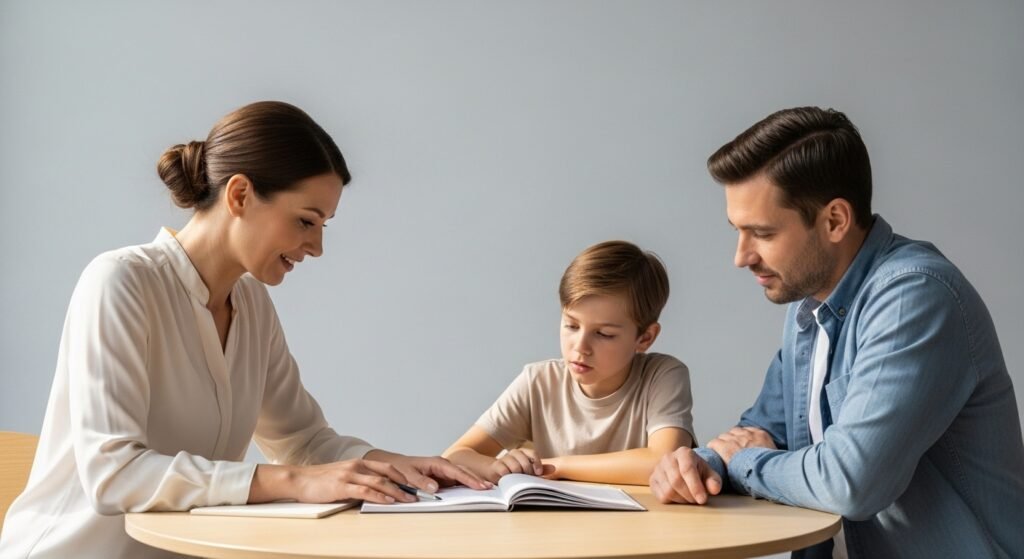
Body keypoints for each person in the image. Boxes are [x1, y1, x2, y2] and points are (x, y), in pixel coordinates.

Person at [0, 101, 488, 559]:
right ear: (239, 195)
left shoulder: (252, 304)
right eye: (305, 220)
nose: (316, 246)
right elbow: (114, 474)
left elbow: (303, 440)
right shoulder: (122, 282)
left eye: (323, 225)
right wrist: (293, 482)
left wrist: (402, 467)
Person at [649, 107, 1024, 558]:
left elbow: (849, 483)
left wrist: (741, 463)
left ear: (834, 221)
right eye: (737, 232)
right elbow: (764, 430)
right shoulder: (811, 307)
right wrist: (697, 465)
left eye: (761, 233)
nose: (741, 256)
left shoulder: (915, 298)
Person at [444, 240, 695, 485]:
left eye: (604, 334)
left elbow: (663, 461)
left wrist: (555, 466)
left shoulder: (662, 376)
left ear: (645, 338)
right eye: (571, 325)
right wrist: (494, 466)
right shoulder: (539, 382)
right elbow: (455, 456)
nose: (580, 347)